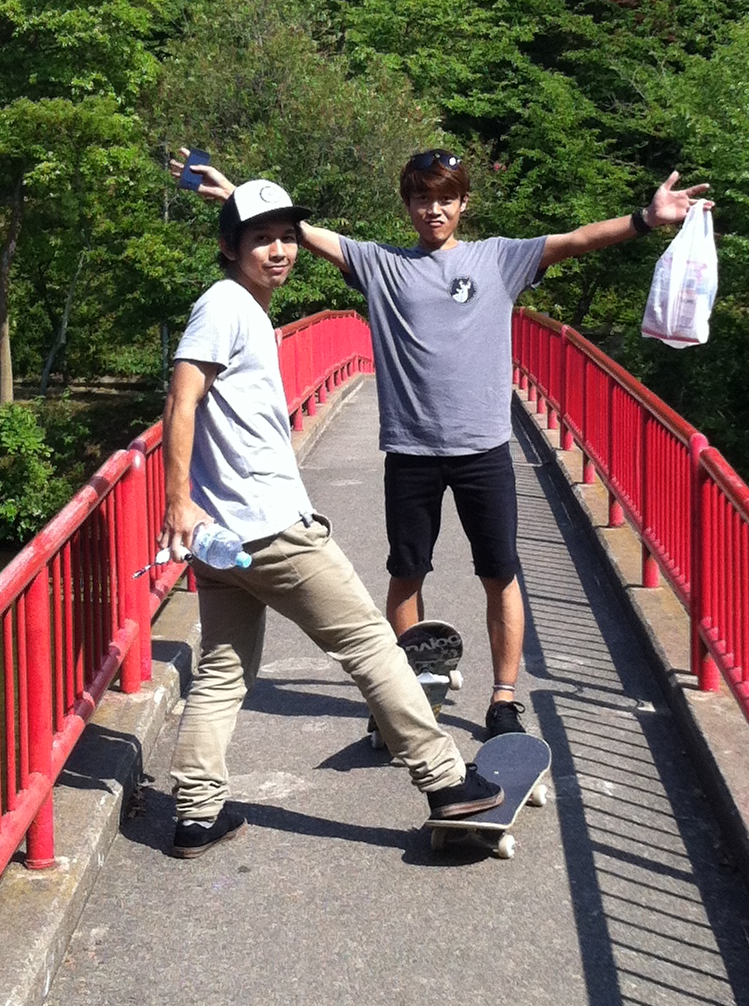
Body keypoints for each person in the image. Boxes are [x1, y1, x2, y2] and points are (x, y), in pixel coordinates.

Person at [175, 148, 707, 736]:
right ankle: (407, 697)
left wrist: (646, 219)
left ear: (463, 203)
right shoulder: (381, 265)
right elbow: (294, 233)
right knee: (407, 573)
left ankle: (504, 700)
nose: (434, 210)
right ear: (407, 205)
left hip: (485, 451)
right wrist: (237, 197)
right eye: (422, 199)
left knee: (499, 574)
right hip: (411, 453)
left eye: (446, 199)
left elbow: (576, 239)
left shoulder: (498, 259)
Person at [159, 174, 503, 859]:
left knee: (224, 668)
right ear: (230, 248)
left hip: (222, 536)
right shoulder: (225, 306)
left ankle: (196, 813)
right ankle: (445, 781)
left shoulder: (244, 307)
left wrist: (191, 510)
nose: (279, 251)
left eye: (287, 238)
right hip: (270, 529)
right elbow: (181, 399)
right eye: (262, 239)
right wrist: (175, 501)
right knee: (371, 645)